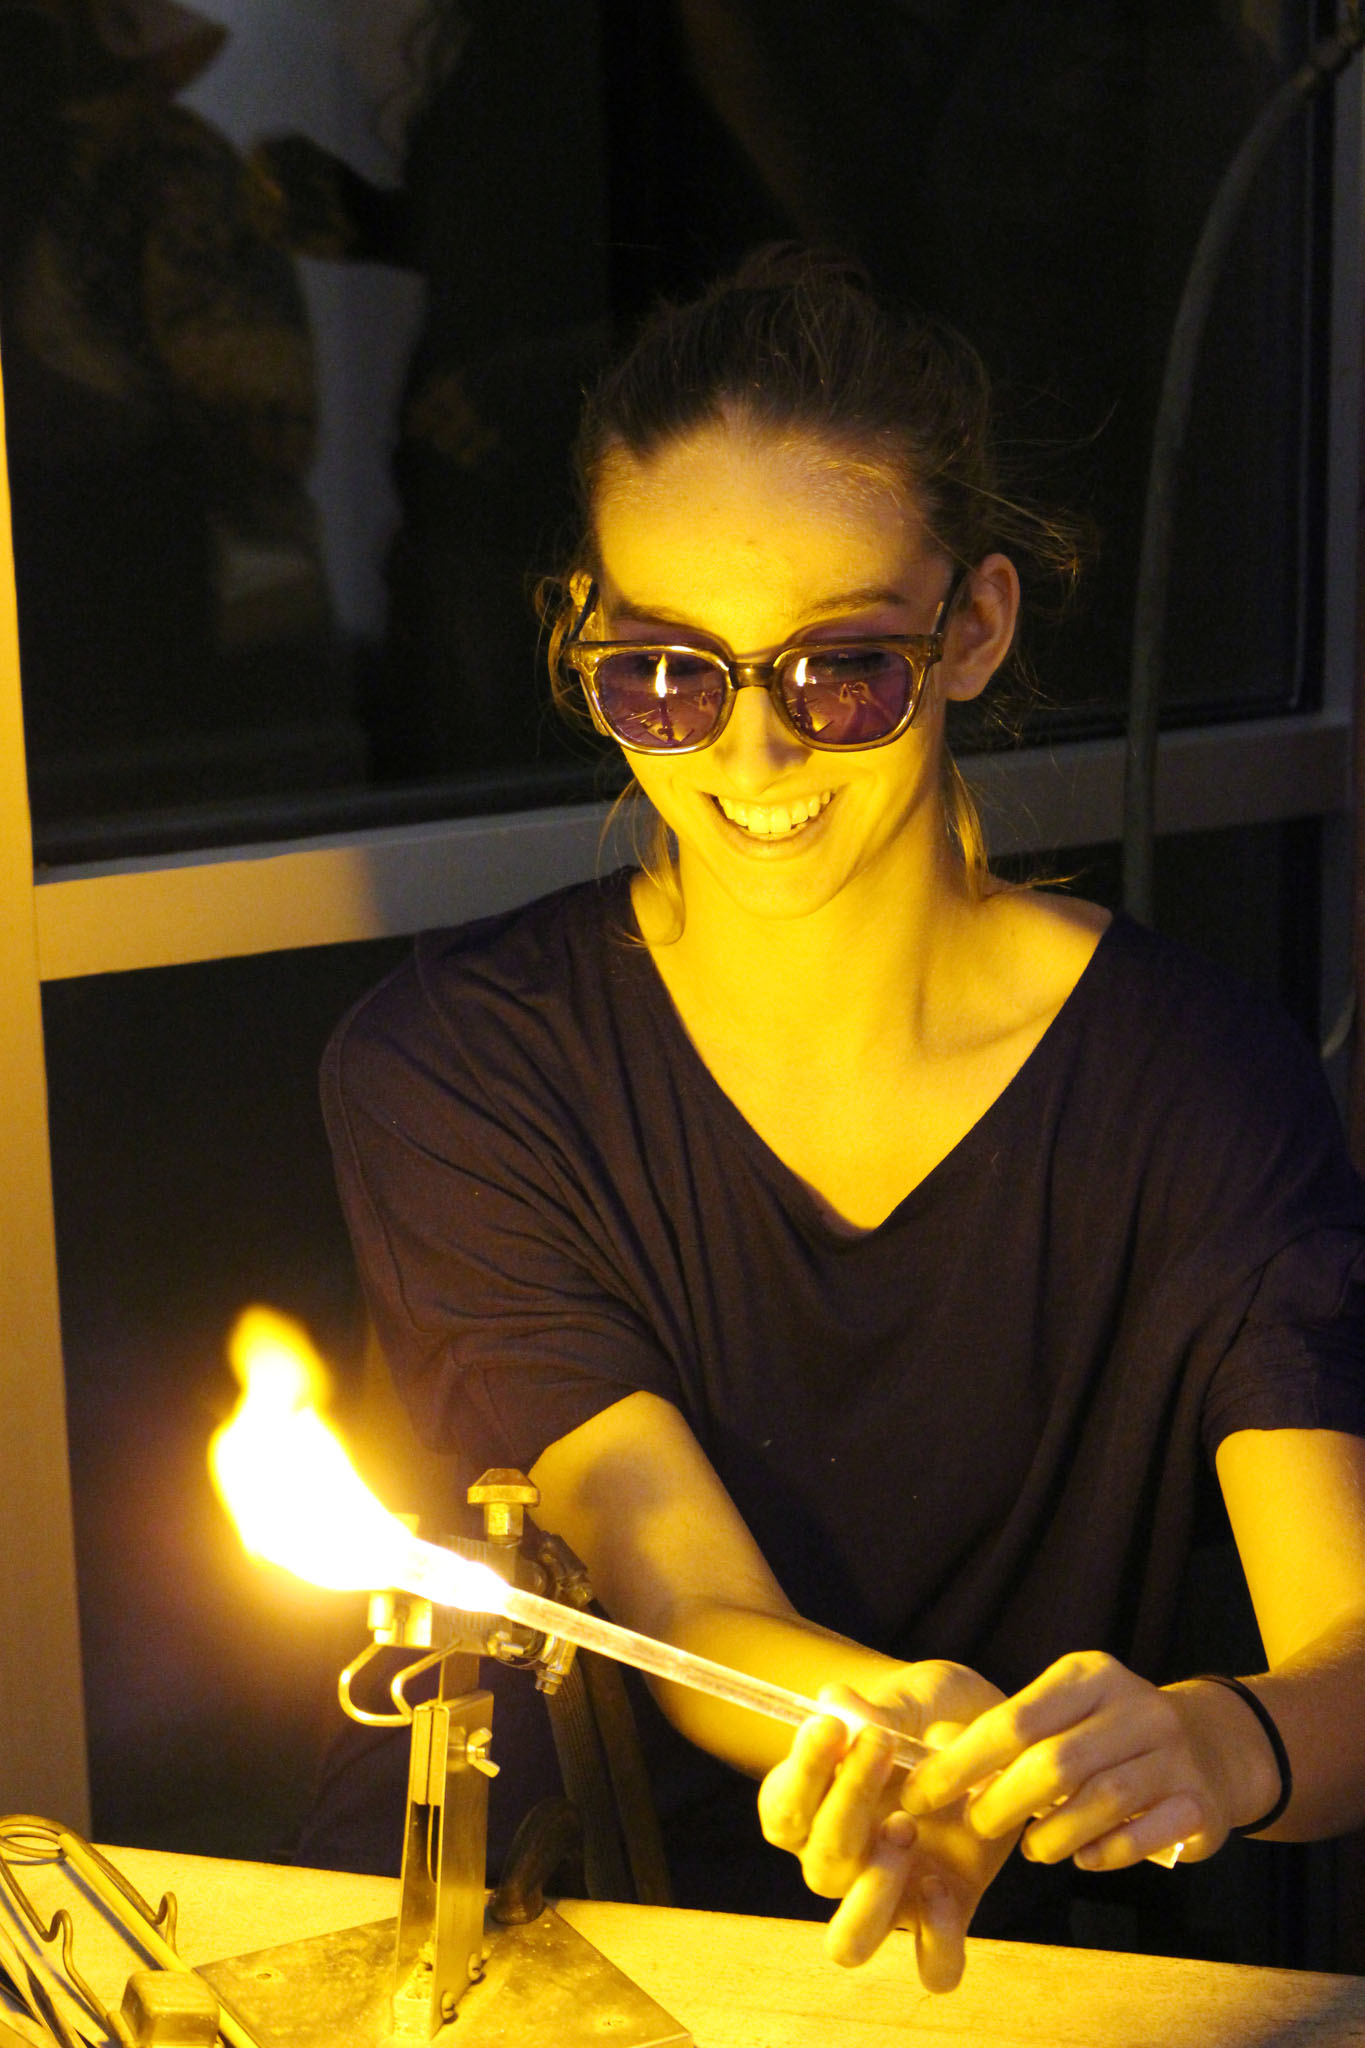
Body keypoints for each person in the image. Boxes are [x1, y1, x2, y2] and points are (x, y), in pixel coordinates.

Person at [321, 247, 1365, 1993]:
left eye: (842, 669)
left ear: (972, 632)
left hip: (973, 1976)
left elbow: (1348, 1652)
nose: (753, 756)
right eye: (666, 673)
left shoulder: (1190, 1084)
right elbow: (671, 1589)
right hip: (536, 1954)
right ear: (582, 638)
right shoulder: (455, 1067)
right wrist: (886, 1721)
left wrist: (1215, 1741)